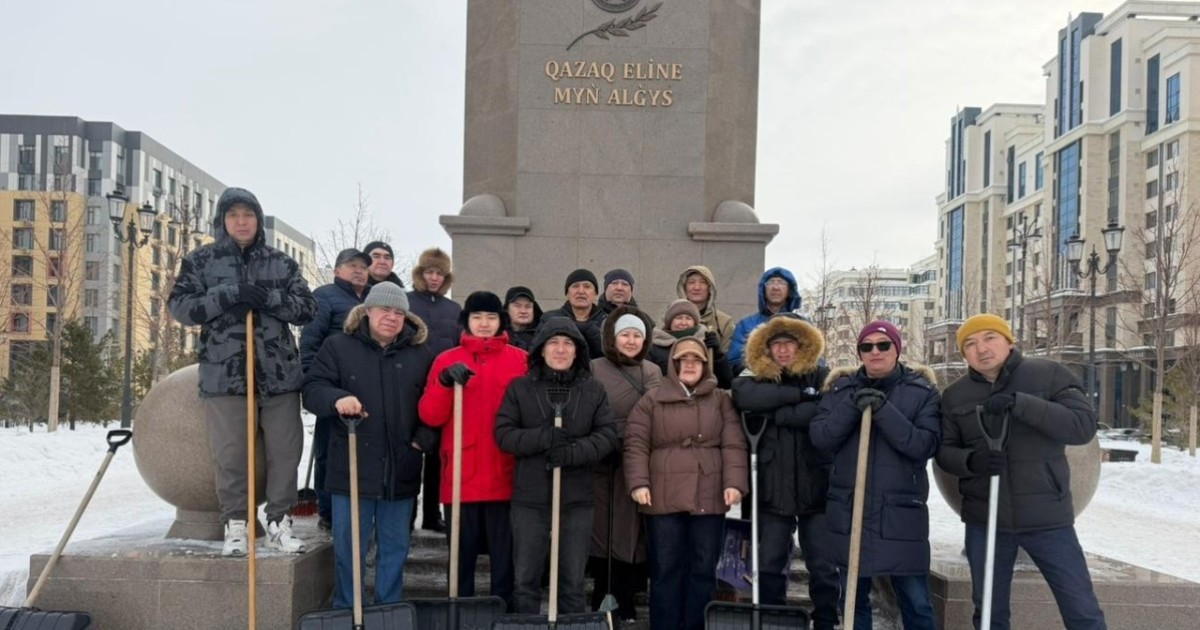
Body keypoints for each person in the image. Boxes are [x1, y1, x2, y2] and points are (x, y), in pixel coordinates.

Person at [167, 187, 317, 557]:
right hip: (225, 375)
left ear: (258, 219)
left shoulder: (280, 263)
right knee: (231, 455)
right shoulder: (201, 262)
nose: (241, 221)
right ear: (223, 221)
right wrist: (227, 294)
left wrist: (269, 299)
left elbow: (306, 308)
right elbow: (182, 308)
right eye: (233, 215)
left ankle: (280, 521)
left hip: (278, 375)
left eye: (247, 214)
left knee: (285, 452)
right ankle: (237, 523)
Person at [937, 314, 1106, 630]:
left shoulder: (1050, 375)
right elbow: (944, 452)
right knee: (989, 613)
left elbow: (1081, 427)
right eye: (970, 344)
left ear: (1009, 341)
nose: (982, 349)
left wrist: (1023, 404)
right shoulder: (955, 395)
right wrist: (972, 461)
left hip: (1047, 520)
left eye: (990, 338)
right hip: (985, 521)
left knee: (1081, 609)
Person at [301, 282, 437, 607]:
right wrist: (337, 398)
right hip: (351, 470)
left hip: (401, 470)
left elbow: (434, 405)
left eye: (398, 312)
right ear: (367, 311)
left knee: (395, 549)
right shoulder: (338, 347)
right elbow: (313, 389)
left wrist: (423, 440)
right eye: (384, 310)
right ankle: (348, 610)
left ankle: (388, 611)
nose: (391, 317)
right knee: (350, 550)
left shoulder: (421, 355)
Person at [811, 320, 940, 630]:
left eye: (883, 345)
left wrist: (884, 411)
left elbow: (924, 444)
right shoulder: (840, 389)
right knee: (853, 601)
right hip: (850, 508)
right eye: (866, 347)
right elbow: (821, 437)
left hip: (899, 514)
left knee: (917, 601)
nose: (875, 352)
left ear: (897, 349)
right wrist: (851, 408)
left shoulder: (921, 392)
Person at [494, 317, 618, 615]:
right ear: (541, 349)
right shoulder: (520, 388)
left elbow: (607, 436)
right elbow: (504, 434)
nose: (560, 349)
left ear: (577, 352)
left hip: (576, 501)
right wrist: (542, 438)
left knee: (573, 582)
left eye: (567, 343)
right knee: (525, 579)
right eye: (553, 342)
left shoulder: (593, 391)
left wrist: (574, 453)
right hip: (530, 501)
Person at [625, 336, 749, 630]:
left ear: (705, 365)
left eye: (696, 360)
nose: (690, 365)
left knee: (703, 568)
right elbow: (636, 442)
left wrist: (734, 483)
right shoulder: (652, 399)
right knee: (666, 569)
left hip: (708, 495)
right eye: (684, 359)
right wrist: (639, 482)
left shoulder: (720, 399)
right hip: (662, 497)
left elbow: (733, 444)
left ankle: (695, 625)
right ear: (673, 364)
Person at [418, 291, 527, 610]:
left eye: (491, 318)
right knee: (461, 559)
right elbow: (430, 415)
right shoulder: (447, 360)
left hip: (504, 474)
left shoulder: (518, 360)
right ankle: (461, 612)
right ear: (466, 321)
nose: (484, 324)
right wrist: (443, 383)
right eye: (477, 317)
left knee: (504, 559)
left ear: (500, 322)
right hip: (461, 476)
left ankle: (501, 611)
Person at [731, 313, 840, 629]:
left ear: (801, 345)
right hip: (772, 485)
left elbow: (826, 407)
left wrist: (778, 413)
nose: (782, 350)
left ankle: (825, 620)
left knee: (822, 563)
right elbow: (744, 395)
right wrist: (797, 398)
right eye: (776, 343)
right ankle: (772, 618)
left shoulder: (822, 376)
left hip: (816, 484)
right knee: (770, 562)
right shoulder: (757, 376)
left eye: (788, 343)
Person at [588, 306, 661, 622]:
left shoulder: (652, 371)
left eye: (636, 335)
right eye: (624, 334)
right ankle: (602, 596)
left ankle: (626, 596)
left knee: (630, 534)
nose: (631, 341)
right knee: (602, 530)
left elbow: (655, 414)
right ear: (612, 338)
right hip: (602, 460)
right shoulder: (593, 368)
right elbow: (588, 407)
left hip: (636, 460)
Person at [300, 247, 372, 529]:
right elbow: (310, 342)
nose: (358, 271)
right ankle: (329, 511)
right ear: (337, 270)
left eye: (363, 267)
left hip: (365, 387)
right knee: (329, 452)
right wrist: (312, 380)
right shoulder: (325, 296)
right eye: (351, 265)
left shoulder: (371, 299)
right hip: (332, 388)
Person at [407, 247, 462, 533]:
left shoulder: (453, 310)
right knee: (410, 454)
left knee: (436, 459)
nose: (434, 278)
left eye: (439, 273)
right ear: (421, 273)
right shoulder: (405, 302)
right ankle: (407, 514)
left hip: (441, 389)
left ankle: (432, 514)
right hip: (409, 386)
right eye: (429, 272)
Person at [728, 268, 801, 373]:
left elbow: (814, 358)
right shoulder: (746, 324)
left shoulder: (803, 325)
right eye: (770, 282)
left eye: (781, 282)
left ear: (790, 290)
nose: (776, 287)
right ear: (763, 289)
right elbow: (734, 362)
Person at [647, 299, 732, 389]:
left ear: (695, 322)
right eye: (679, 318)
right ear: (669, 321)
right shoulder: (655, 346)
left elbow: (726, 382)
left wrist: (717, 355)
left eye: (688, 318)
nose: (683, 323)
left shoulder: (706, 344)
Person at [541, 268, 605, 359]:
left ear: (595, 294)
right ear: (567, 293)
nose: (581, 291)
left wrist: (591, 330)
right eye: (575, 286)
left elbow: (611, 354)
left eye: (587, 286)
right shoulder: (550, 319)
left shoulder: (606, 321)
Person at [676, 265, 734, 355]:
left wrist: (717, 353)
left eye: (703, 282)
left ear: (710, 288)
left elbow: (729, 360)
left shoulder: (724, 322)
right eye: (691, 282)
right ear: (684, 288)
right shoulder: (673, 318)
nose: (697, 287)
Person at [504, 286, 543, 351]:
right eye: (517, 306)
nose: (523, 311)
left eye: (528, 306)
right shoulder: (497, 334)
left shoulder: (542, 335)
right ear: (507, 309)